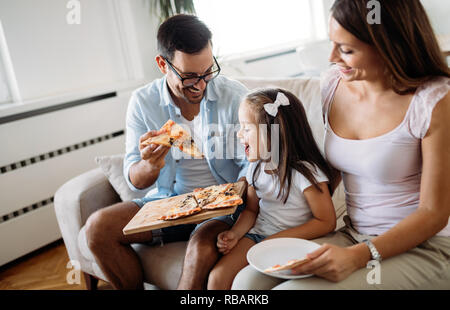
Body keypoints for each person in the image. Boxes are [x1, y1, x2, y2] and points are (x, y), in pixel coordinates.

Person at [233, 0, 450, 290]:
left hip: (424, 247)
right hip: (353, 234)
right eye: (332, 43)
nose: (332, 57)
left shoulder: (434, 100)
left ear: (388, 45)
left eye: (346, 49)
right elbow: (331, 171)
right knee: (247, 282)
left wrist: (358, 256)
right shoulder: (334, 85)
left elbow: (433, 213)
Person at [84, 14, 249, 290]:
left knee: (200, 248)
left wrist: (229, 200)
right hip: (170, 201)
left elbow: (253, 165)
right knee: (97, 228)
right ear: (163, 64)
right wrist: (150, 165)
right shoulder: (143, 103)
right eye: (190, 77)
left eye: (208, 71)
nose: (201, 85)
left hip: (223, 207)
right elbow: (135, 179)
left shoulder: (236, 97)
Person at [206, 88, 337, 290]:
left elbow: (326, 222)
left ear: (272, 132)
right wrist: (235, 234)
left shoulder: (306, 173)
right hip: (258, 236)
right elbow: (251, 210)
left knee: (245, 285)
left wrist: (276, 240)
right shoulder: (255, 169)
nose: (239, 134)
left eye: (246, 128)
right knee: (217, 279)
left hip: (293, 240)